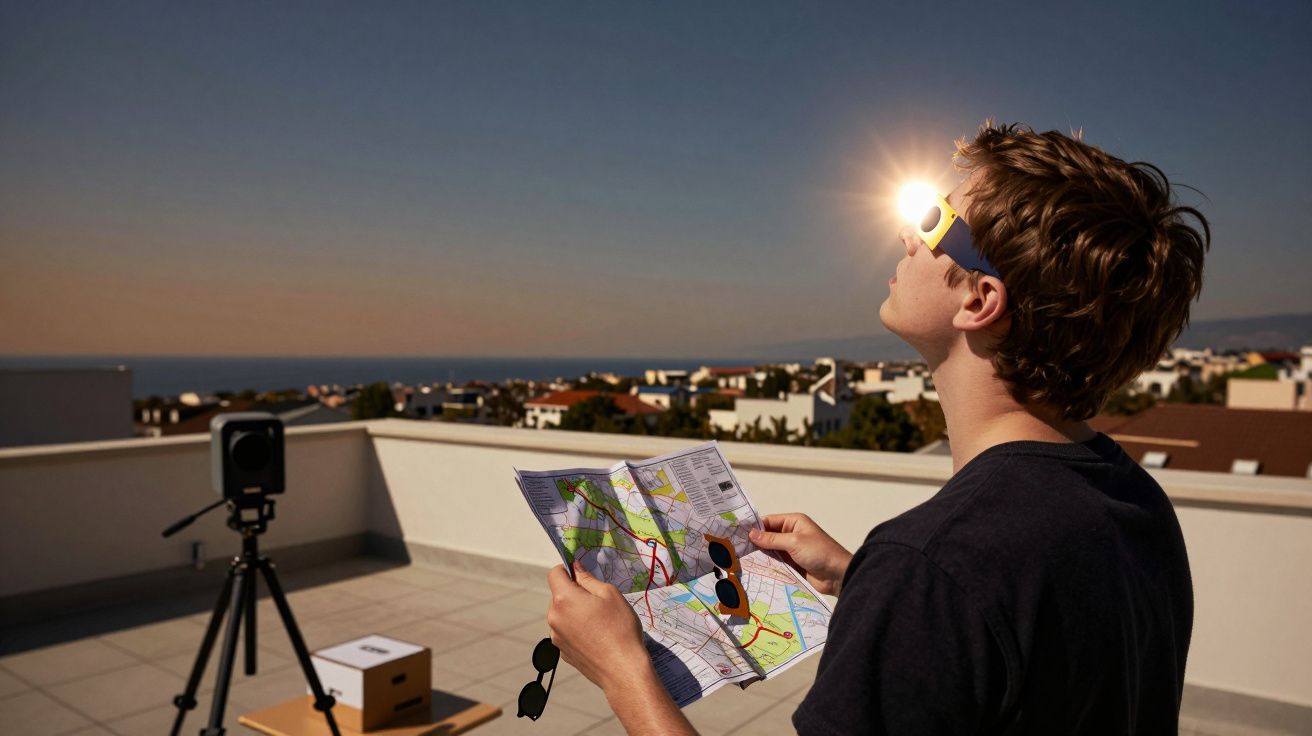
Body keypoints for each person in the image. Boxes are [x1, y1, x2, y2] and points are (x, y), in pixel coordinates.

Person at [545, 121, 1208, 734]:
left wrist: (622, 670)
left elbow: (967, 595)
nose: (907, 236)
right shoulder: (1135, 504)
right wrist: (864, 574)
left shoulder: (934, 570)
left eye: (935, 219)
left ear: (980, 300)